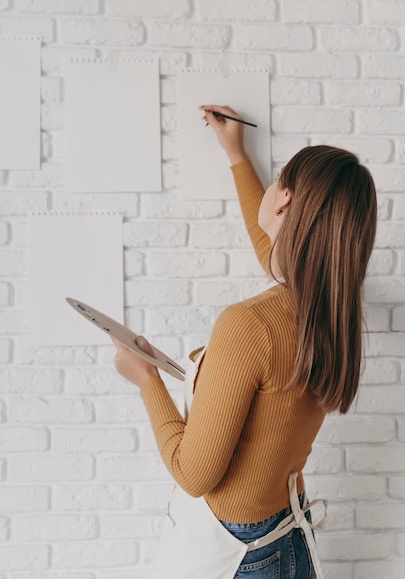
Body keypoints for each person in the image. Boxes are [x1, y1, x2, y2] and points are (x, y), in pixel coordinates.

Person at [112, 105, 377, 579]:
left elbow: (193, 475)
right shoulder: (330, 308)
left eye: (277, 180)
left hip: (237, 555)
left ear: (284, 204)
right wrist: (236, 153)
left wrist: (146, 379)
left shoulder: (249, 325)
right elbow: (271, 248)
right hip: (288, 537)